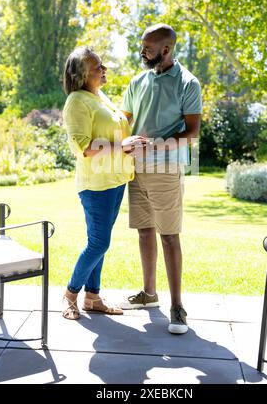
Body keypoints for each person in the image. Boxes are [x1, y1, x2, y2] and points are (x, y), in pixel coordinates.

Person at [120, 24, 202, 334]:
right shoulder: (138, 80)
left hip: (166, 170)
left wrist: (157, 145)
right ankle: (149, 294)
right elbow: (122, 120)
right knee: (144, 231)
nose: (143, 52)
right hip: (135, 169)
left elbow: (192, 131)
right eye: (142, 47)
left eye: (149, 49)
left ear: (166, 50)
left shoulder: (187, 83)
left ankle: (177, 307)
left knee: (169, 236)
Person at [62, 46, 148, 320]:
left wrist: (132, 141)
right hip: (96, 184)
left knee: (100, 241)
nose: (104, 69)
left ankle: (93, 297)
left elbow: (118, 128)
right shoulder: (77, 100)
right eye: (97, 66)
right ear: (82, 74)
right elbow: (83, 146)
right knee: (99, 243)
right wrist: (121, 144)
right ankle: (70, 294)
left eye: (102, 65)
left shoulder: (99, 96)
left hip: (115, 181)